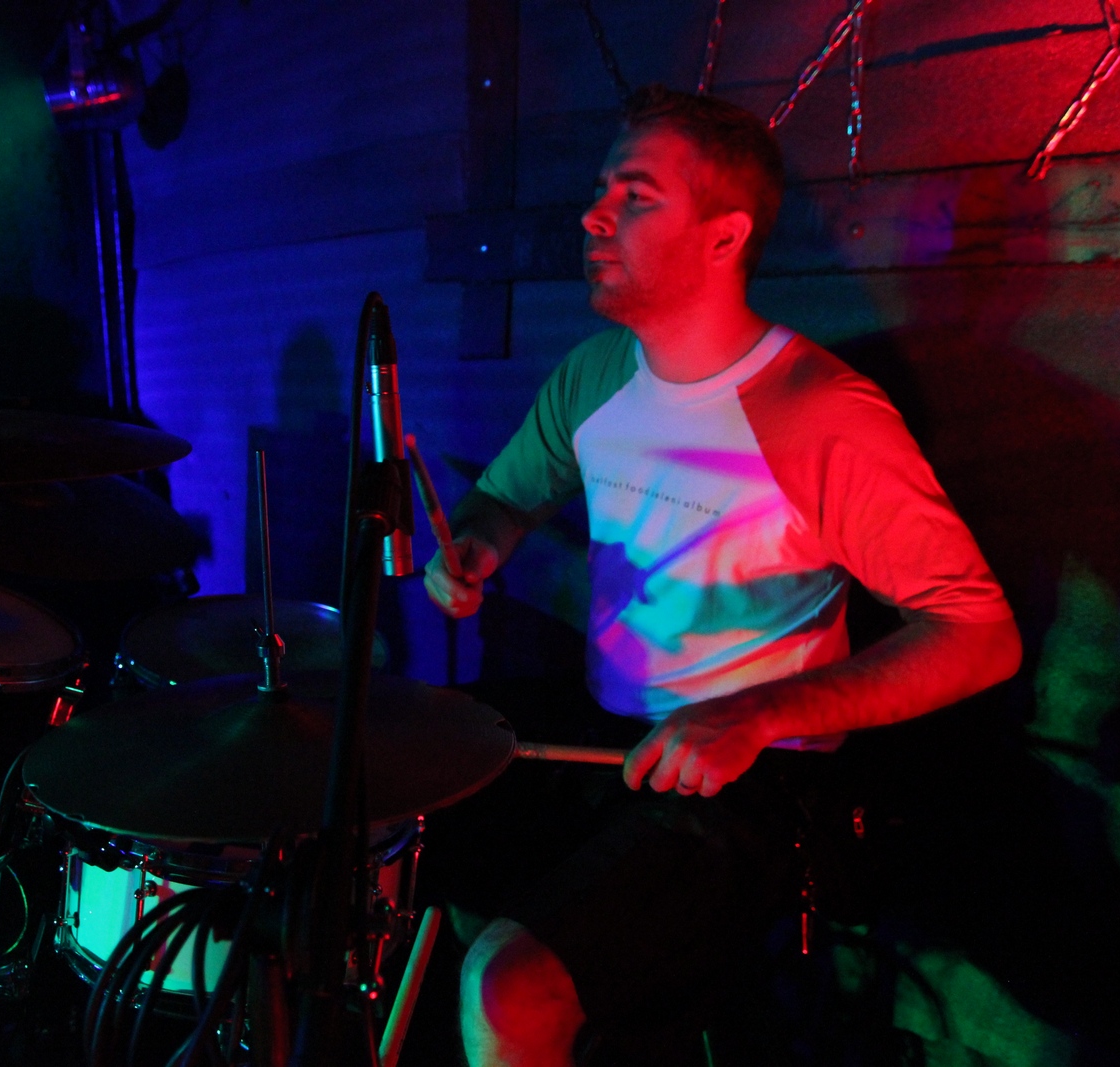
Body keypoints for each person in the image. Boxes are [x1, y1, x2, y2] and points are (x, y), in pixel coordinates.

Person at [423, 85, 1022, 1067]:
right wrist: (478, 546)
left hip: (759, 775)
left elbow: (979, 634)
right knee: (427, 837)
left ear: (723, 235)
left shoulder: (819, 411)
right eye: (600, 191)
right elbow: (501, 501)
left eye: (635, 196)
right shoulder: (594, 374)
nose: (594, 215)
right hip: (608, 730)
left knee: (506, 983)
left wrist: (752, 714)